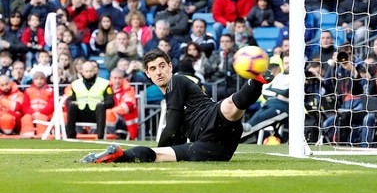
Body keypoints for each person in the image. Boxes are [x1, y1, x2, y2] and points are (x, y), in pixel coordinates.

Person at [80, 48, 273, 163]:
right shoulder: (170, 94)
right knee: (159, 156)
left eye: (162, 66)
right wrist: (160, 152)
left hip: (210, 118)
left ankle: (258, 80)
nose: (159, 72)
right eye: (153, 69)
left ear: (170, 67)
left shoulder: (177, 81)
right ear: (147, 73)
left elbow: (171, 126)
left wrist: (159, 148)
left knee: (231, 105)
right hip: (214, 148)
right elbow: (177, 133)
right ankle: (117, 156)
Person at [64, 60, 114, 139]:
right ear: (82, 72)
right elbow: (69, 100)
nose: (89, 73)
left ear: (95, 71)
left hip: (96, 113)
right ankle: (71, 136)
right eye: (86, 71)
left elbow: (110, 101)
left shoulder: (104, 84)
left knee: (101, 107)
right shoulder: (75, 84)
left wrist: (102, 104)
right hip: (80, 112)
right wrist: (73, 102)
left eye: (91, 71)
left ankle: (100, 136)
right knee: (71, 106)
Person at [106, 68, 139, 140]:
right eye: (115, 78)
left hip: (125, 120)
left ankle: (109, 137)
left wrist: (111, 111)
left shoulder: (129, 89)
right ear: (110, 78)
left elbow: (127, 106)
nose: (117, 81)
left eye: (119, 78)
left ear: (123, 78)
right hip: (110, 118)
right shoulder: (106, 87)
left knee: (108, 113)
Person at [20, 69, 54, 138]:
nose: (39, 81)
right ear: (33, 80)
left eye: (41, 79)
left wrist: (41, 112)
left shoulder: (50, 90)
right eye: (36, 79)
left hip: (44, 114)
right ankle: (27, 136)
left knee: (41, 118)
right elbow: (25, 106)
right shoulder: (28, 91)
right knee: (25, 118)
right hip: (31, 113)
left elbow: (51, 104)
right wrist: (32, 113)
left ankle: (42, 135)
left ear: (45, 80)